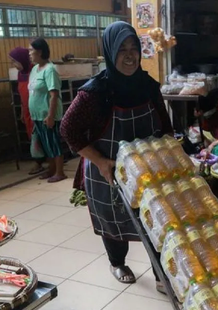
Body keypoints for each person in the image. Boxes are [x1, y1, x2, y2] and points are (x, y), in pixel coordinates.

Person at [61, 22, 173, 291]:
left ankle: (161, 275)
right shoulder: (94, 92)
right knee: (113, 220)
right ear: (110, 52)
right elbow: (68, 129)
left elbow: (165, 126)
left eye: (134, 48)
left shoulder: (147, 85)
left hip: (146, 168)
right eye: (122, 49)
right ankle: (117, 262)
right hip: (107, 167)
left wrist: (173, 159)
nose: (129, 55)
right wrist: (99, 161)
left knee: (155, 221)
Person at [28, 38, 66, 183]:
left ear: (40, 51)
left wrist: (50, 115)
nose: (29, 54)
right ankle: (51, 170)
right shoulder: (34, 69)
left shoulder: (50, 70)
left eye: (31, 50)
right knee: (45, 144)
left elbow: (54, 94)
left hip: (48, 114)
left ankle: (60, 172)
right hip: (37, 115)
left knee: (53, 143)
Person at [9, 47, 45, 175]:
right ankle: (41, 160)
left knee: (39, 136)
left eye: (14, 61)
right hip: (27, 110)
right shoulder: (20, 74)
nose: (13, 65)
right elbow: (22, 96)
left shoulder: (34, 71)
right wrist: (21, 112)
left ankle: (40, 162)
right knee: (32, 135)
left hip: (38, 109)